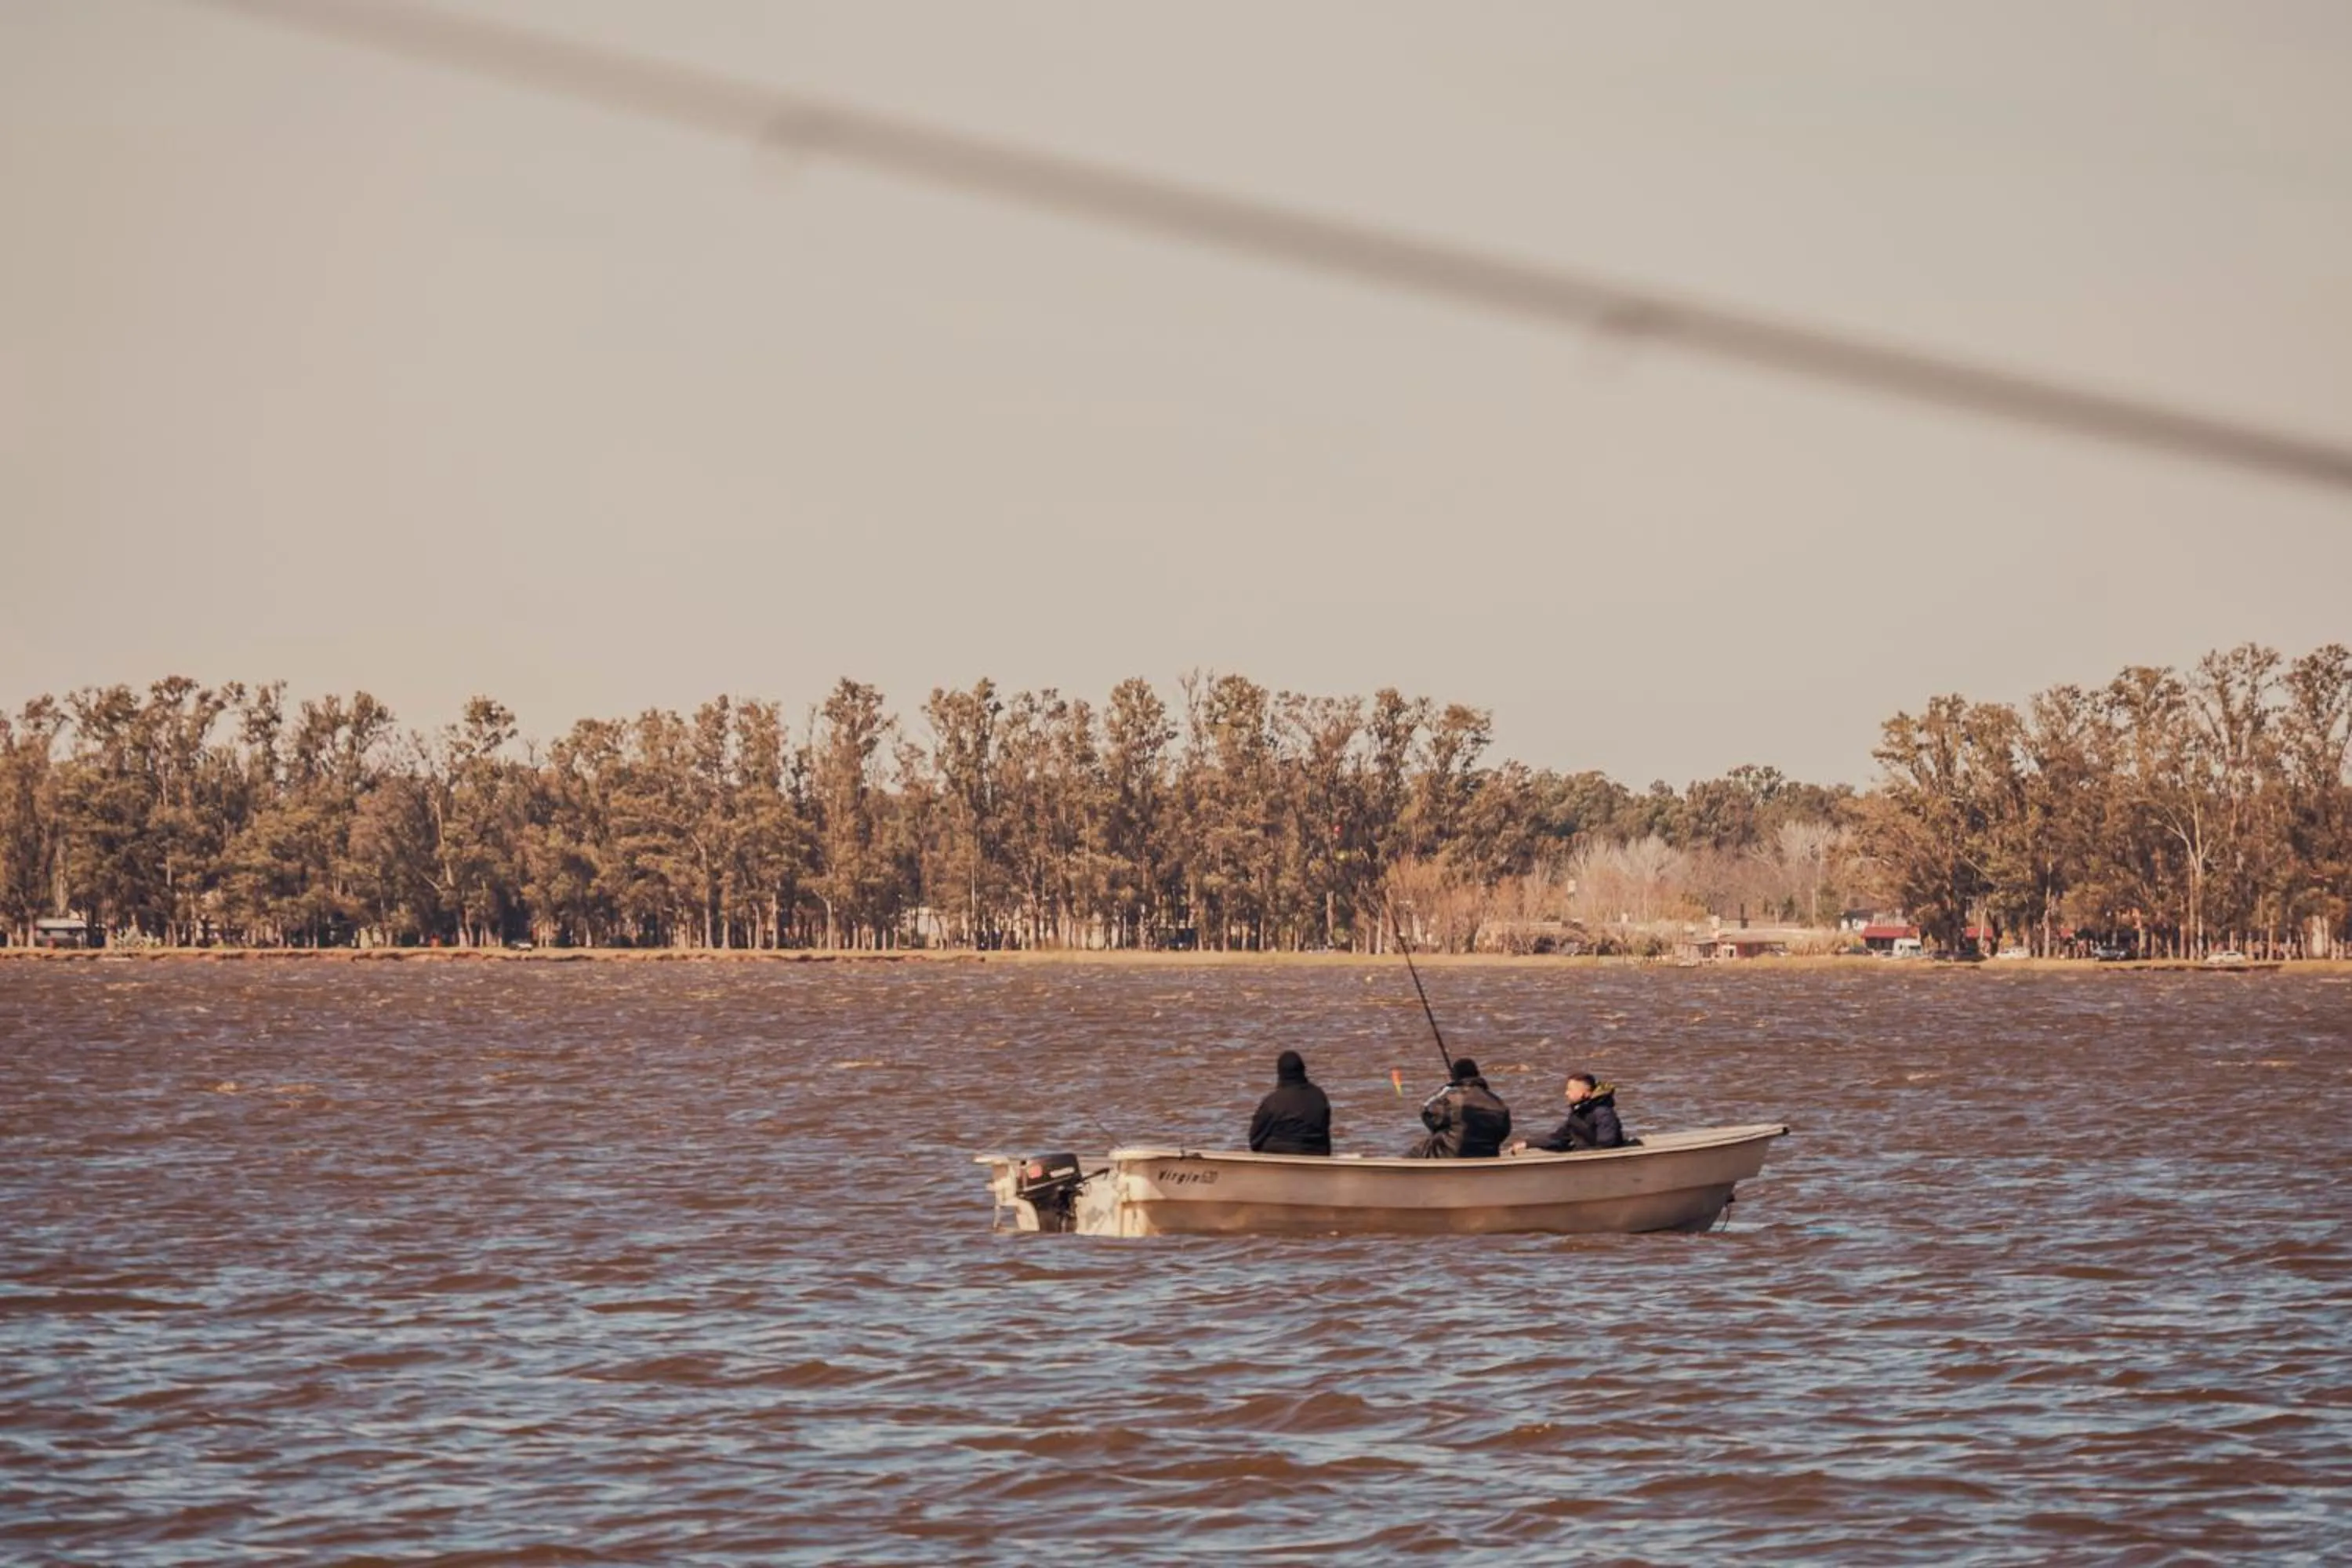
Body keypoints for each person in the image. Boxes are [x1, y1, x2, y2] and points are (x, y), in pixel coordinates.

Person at [1406, 1056, 1512, 1158]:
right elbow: (1504, 1132)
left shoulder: (1451, 1099)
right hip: (1487, 1155)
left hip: (1454, 1156)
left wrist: (1446, 1089)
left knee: (1418, 1150)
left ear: (1455, 1076)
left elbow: (1427, 1113)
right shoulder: (1498, 1103)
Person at [1513, 1072, 1628, 1154]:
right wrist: (1528, 1144)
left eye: (1570, 1090)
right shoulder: (1577, 1113)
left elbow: (1607, 1145)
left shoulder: (1603, 1113)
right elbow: (1559, 1139)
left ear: (1586, 1093)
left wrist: (1579, 1154)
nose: (1566, 1093)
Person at [1248, 1049, 1333, 1156]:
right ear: (1303, 1070)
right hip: (1316, 1156)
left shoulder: (1273, 1102)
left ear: (1280, 1074)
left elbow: (1254, 1140)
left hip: (1280, 1161)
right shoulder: (1319, 1097)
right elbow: (1325, 1134)